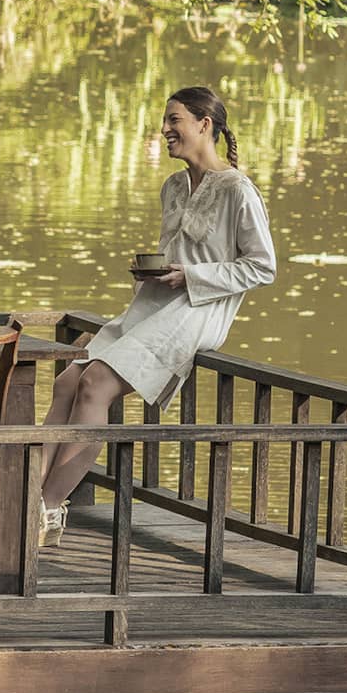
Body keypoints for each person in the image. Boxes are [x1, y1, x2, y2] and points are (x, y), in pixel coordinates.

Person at [37, 86, 276, 546]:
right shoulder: (172, 186)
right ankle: (28, 498)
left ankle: (46, 509)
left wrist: (190, 276)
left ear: (205, 124)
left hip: (199, 310)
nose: (165, 130)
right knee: (69, 379)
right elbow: (177, 250)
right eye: (166, 121)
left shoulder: (238, 190)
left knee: (96, 385)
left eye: (175, 120)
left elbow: (262, 267)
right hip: (153, 306)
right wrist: (157, 272)